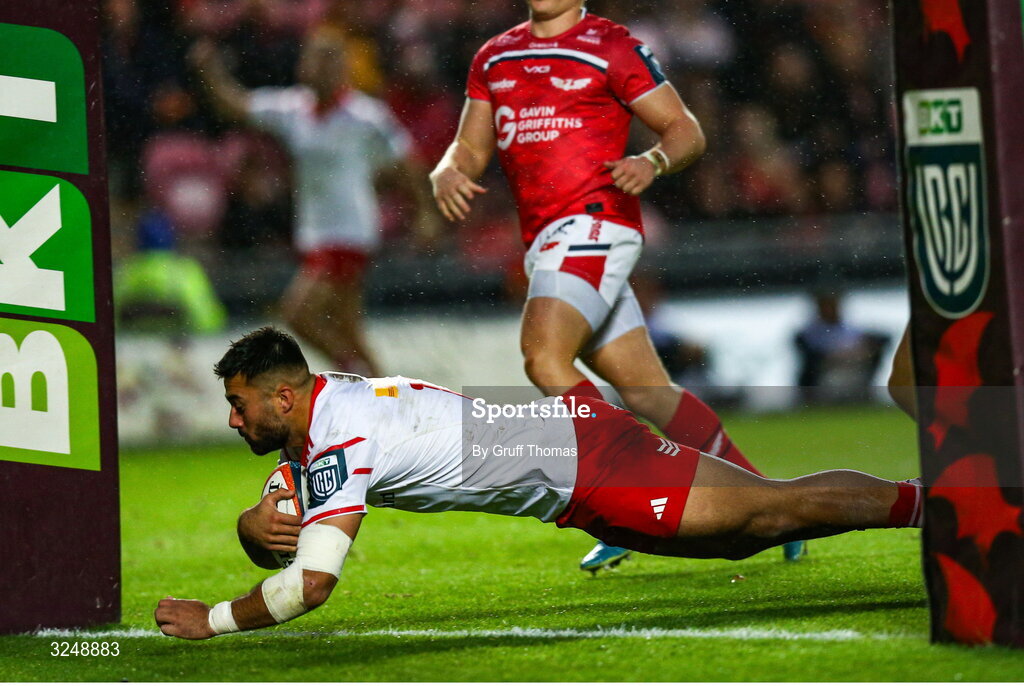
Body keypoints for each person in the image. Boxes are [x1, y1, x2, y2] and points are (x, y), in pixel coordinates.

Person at [154, 327, 923, 640]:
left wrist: (213, 619)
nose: (231, 419)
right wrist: (252, 528)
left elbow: (310, 586)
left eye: (238, 402)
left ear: (282, 397)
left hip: (591, 465)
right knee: (747, 536)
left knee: (774, 508)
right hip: (573, 467)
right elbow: (288, 528)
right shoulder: (322, 408)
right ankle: (930, 504)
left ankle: (939, 504)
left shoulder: (340, 436)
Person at [428, 0, 797, 569]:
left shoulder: (612, 44)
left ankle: (627, 496)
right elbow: (472, 147)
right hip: (547, 240)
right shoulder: (494, 55)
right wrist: (449, 168)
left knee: (544, 357)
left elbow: (685, 129)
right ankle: (778, 507)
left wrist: (652, 160)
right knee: (650, 393)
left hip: (595, 224)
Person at [190, 24, 437, 376]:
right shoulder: (293, 109)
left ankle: (353, 374)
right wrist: (209, 69)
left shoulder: (365, 115)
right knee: (349, 330)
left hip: (350, 230)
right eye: (314, 58)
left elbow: (407, 163)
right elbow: (236, 106)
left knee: (297, 314)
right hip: (315, 232)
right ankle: (390, 399)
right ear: (303, 64)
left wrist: (425, 213)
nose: (319, 67)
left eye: (329, 59)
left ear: (343, 68)